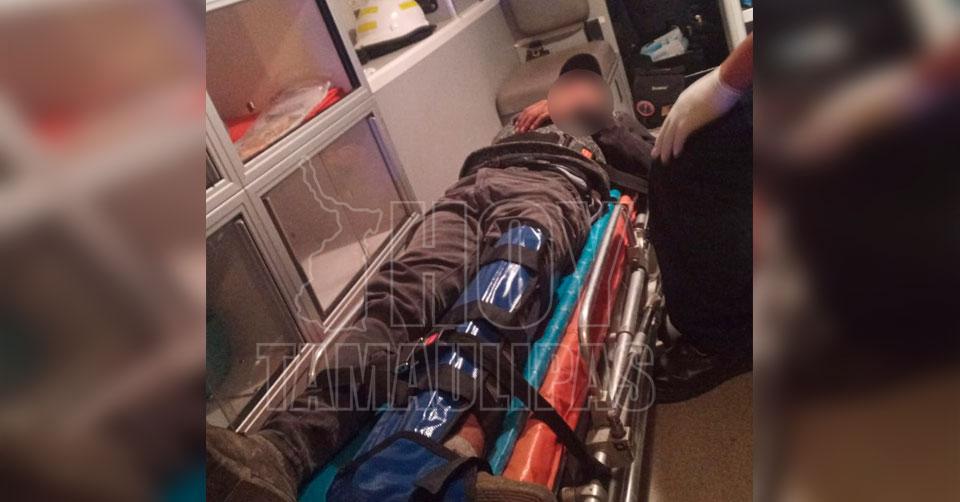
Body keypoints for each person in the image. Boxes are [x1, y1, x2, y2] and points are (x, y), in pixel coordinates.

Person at [206, 54, 655, 502]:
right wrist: (545, 114)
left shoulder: (611, 127)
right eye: (566, 84)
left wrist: (598, 119)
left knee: (502, 288)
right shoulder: (522, 123)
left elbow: (653, 168)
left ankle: (455, 456)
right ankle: (281, 452)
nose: (574, 91)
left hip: (553, 187)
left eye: (586, 84)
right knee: (398, 295)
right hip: (471, 189)